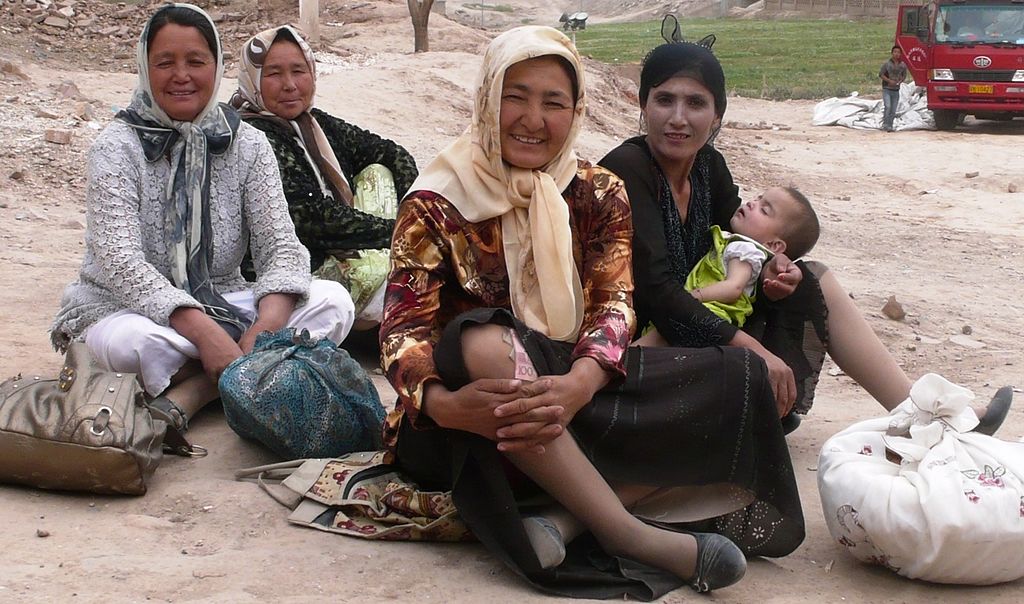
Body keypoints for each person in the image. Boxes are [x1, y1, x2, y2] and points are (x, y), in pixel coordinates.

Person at [380, 26, 804, 600]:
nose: (533, 118)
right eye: (515, 95)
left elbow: (615, 302)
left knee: (742, 374)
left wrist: (580, 382)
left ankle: (565, 518)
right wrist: (447, 406)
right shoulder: (435, 202)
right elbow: (402, 330)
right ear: (486, 99)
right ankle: (631, 533)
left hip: (577, 391)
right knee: (477, 339)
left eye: (553, 102)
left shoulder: (598, 190)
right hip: (473, 426)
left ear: (575, 110)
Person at [599, 41, 1010, 432]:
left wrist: (778, 271)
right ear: (643, 104)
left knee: (813, 276)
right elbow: (657, 294)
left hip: (700, 316)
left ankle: (916, 411)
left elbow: (742, 236)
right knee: (741, 360)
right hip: (635, 341)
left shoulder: (707, 164)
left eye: (696, 103)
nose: (678, 118)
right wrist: (754, 348)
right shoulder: (626, 169)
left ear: (718, 115)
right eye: (664, 99)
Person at [50, 4, 354, 446]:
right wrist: (204, 331)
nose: (182, 76)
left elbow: (281, 247)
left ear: (216, 66)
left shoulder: (247, 143)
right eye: (165, 63)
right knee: (131, 345)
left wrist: (263, 328)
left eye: (196, 61)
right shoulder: (117, 147)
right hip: (127, 307)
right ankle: (253, 369)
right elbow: (118, 259)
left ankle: (200, 387)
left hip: (223, 298)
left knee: (333, 300)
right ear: (143, 66)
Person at [231, 25, 418, 326]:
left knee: (378, 170)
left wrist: (413, 212)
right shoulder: (250, 136)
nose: (290, 84)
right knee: (415, 287)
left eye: (298, 71)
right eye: (274, 73)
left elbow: (391, 153)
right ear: (252, 80)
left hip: (341, 255)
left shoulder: (315, 125)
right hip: (283, 274)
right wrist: (399, 233)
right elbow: (310, 218)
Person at [637, 185, 819, 343]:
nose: (751, 203)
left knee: (659, 337)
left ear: (773, 245)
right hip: (708, 313)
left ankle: (625, 363)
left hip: (710, 311)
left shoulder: (744, 250)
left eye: (764, 210)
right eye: (758, 198)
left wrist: (690, 297)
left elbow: (734, 287)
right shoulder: (736, 244)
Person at [879, 45, 907, 132]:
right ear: (892, 53)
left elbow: (904, 75)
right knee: (888, 106)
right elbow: (881, 74)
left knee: (893, 109)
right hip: (887, 88)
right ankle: (885, 124)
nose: (896, 54)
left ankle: (890, 125)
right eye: (895, 52)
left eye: (898, 52)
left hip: (896, 90)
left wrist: (900, 81)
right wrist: (889, 81)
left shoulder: (902, 65)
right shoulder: (887, 64)